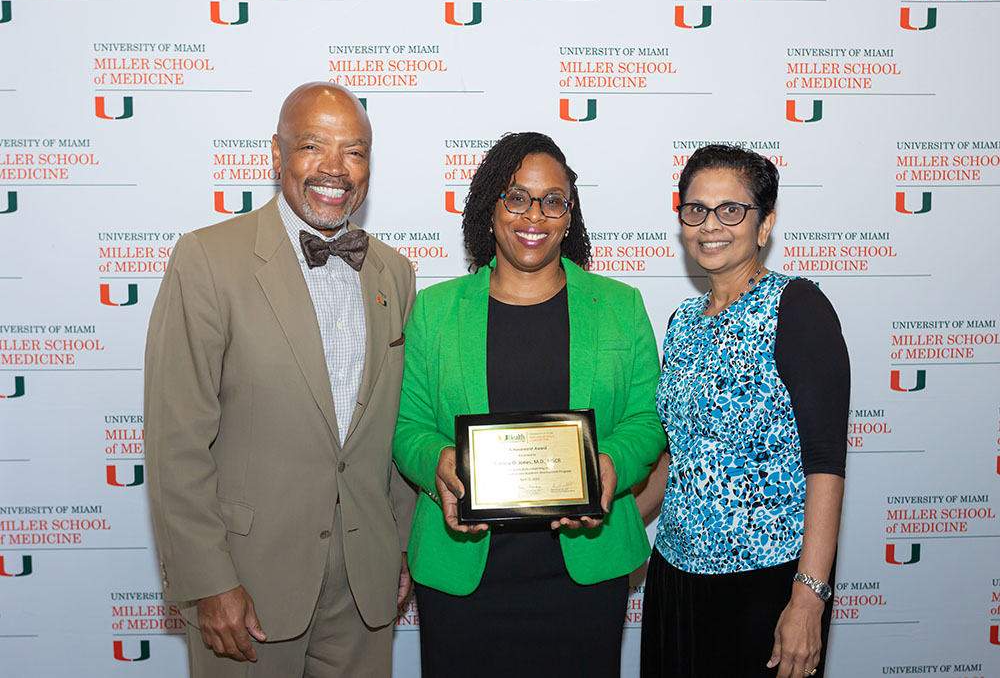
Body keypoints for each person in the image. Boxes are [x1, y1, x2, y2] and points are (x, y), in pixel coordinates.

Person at [144, 82, 416, 678]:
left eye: (355, 151)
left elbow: (396, 426)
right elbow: (176, 440)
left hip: (365, 589)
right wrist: (209, 580)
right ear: (276, 153)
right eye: (312, 146)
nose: (334, 169)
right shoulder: (208, 259)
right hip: (248, 581)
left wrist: (400, 545)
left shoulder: (395, 273)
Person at [392, 131, 666, 677]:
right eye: (516, 197)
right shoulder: (435, 310)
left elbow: (647, 420)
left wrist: (610, 463)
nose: (533, 214)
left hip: (586, 571)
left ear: (570, 215)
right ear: (489, 206)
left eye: (553, 200)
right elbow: (408, 428)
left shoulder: (619, 306)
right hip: (463, 572)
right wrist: (438, 463)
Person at [638, 144, 849, 678]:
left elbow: (825, 463)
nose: (711, 224)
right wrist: (597, 516)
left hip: (766, 585)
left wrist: (809, 599)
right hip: (676, 577)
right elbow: (677, 456)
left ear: (765, 224)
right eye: (695, 209)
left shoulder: (798, 307)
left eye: (731, 210)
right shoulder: (682, 320)